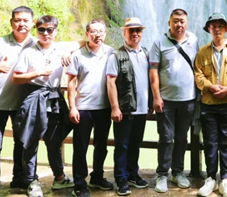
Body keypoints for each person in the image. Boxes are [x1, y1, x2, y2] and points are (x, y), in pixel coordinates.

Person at [12, 15, 80, 197]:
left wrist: (69, 50)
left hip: (55, 97)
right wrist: (38, 72)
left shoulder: (61, 48)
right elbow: (16, 77)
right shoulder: (28, 51)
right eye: (41, 29)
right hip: (35, 96)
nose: (46, 33)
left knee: (55, 140)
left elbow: (83, 41)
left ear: (56, 31)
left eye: (50, 30)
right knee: (31, 140)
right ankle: (31, 181)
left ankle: (59, 178)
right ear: (36, 30)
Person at [0, 6, 36, 197]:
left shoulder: (38, 45)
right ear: (11, 22)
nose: (21, 23)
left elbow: (60, 49)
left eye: (25, 20)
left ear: (32, 23)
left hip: (23, 105)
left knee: (22, 144)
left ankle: (19, 178)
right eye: (18, 20)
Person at [194, 13, 227, 197]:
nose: (216, 29)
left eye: (220, 26)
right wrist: (210, 86)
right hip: (208, 104)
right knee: (210, 142)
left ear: (225, 28)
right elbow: (198, 75)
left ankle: (225, 179)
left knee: (226, 142)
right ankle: (210, 179)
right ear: (209, 29)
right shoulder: (202, 52)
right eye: (213, 26)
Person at [149, 9, 199, 193]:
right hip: (166, 101)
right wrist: (156, 97)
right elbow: (153, 71)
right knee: (165, 138)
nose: (179, 24)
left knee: (181, 138)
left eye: (182, 21)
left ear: (187, 23)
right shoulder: (159, 42)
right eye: (175, 21)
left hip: (188, 100)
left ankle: (178, 172)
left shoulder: (193, 40)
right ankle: (162, 174)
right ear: (169, 22)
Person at [67, 19, 114, 197]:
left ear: (105, 33)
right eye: (93, 31)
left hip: (104, 107)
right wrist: (72, 107)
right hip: (83, 107)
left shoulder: (111, 52)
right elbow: (71, 83)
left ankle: (97, 176)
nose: (97, 35)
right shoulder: (78, 54)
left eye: (100, 31)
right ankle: (79, 183)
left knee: (101, 146)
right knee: (80, 147)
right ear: (87, 34)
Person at [106, 18, 151, 196]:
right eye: (131, 30)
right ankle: (121, 178)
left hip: (141, 109)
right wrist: (115, 107)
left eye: (138, 30)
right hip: (124, 109)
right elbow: (110, 82)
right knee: (122, 145)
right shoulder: (116, 56)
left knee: (135, 144)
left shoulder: (146, 53)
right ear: (124, 33)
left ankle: (133, 173)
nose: (135, 34)